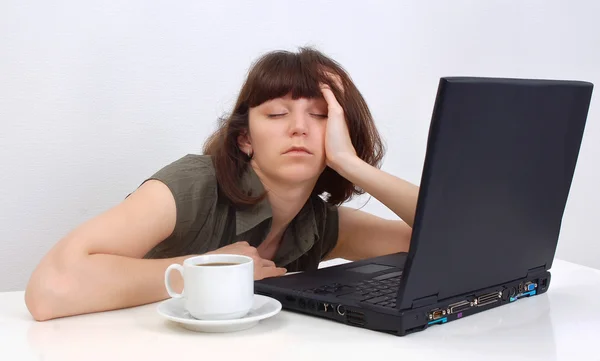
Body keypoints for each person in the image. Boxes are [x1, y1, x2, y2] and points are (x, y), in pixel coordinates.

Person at [25, 47, 419, 321]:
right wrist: (210, 271)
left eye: (319, 116)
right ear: (245, 139)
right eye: (278, 113)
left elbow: (447, 240)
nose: (299, 127)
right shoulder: (192, 185)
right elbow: (50, 290)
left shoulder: (318, 223)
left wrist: (351, 162)